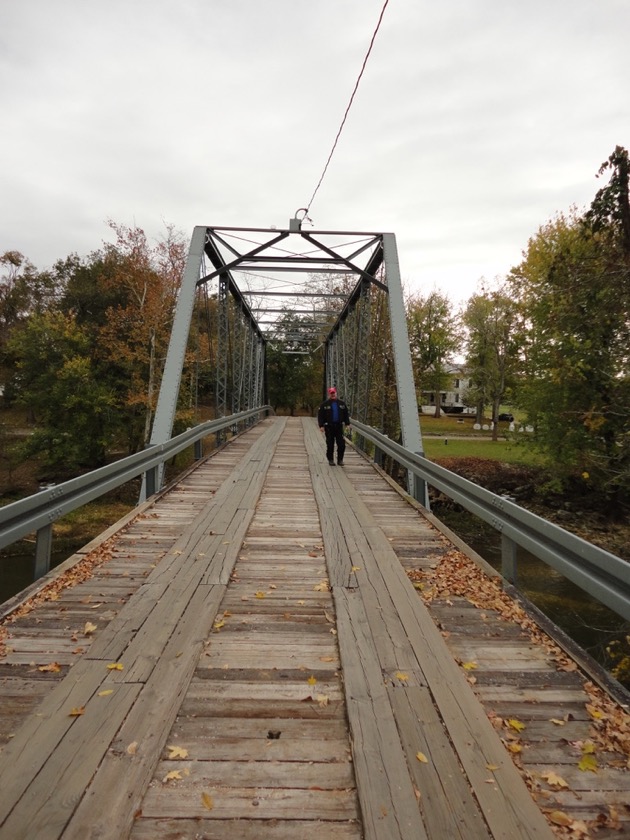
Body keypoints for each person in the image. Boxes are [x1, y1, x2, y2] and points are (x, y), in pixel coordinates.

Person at [317, 386, 351, 466]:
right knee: (330, 444)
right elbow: (320, 415)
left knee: (341, 444)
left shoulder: (342, 404)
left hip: (339, 427)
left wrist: (347, 424)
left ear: (336, 393)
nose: (333, 394)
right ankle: (331, 459)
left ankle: (340, 460)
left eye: (334, 393)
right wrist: (321, 426)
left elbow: (346, 414)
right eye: (331, 393)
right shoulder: (324, 405)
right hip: (329, 427)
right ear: (329, 394)